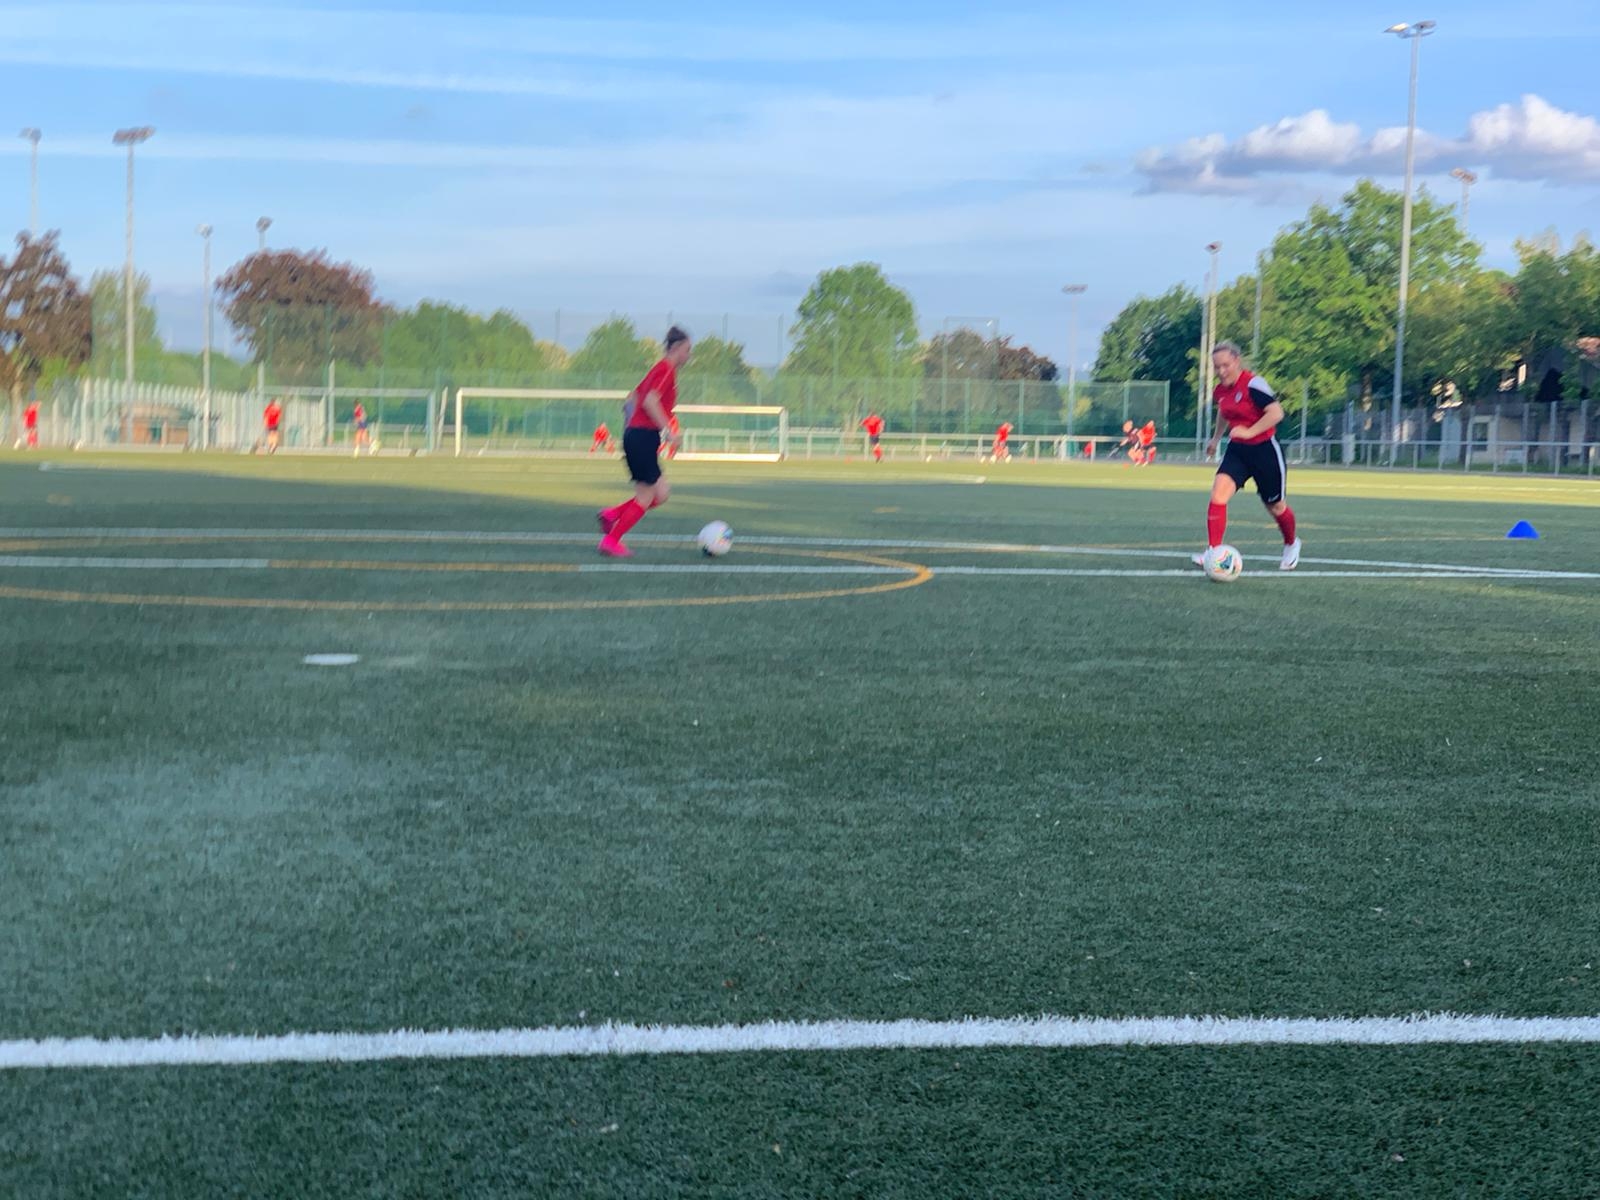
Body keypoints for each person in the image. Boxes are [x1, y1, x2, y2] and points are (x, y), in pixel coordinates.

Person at [1193, 341, 1301, 571]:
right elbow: (1224, 412)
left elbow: (1276, 413)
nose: (1221, 371)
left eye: (1225, 365)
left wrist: (1250, 431)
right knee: (1218, 493)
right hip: (1238, 451)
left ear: (1237, 361)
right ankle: (1213, 551)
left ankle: (1291, 543)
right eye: (1217, 367)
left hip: (1265, 450)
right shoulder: (1220, 390)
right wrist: (1215, 439)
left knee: (1275, 506)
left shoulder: (1253, 384)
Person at [596, 326, 691, 558]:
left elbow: (630, 401)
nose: (689, 355)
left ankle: (612, 515)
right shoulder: (666, 370)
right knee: (647, 496)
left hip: (638, 436)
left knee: (661, 493)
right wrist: (669, 433)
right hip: (643, 437)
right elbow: (650, 402)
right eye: (687, 350)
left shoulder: (657, 370)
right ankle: (611, 541)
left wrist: (630, 431)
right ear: (676, 348)